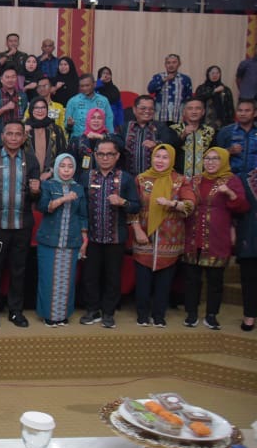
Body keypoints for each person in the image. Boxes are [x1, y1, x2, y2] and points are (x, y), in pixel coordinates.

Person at [0, 121, 41, 328]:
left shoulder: (31, 160)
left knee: (18, 271)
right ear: (2, 136)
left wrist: (36, 191)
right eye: (10, 133)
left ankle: (16, 311)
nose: (14, 138)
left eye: (18, 134)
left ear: (24, 138)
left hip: (22, 226)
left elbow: (35, 196)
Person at [181, 147, 248, 330]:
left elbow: (242, 207)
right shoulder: (195, 180)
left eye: (216, 158)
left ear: (224, 160)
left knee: (215, 280)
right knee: (191, 278)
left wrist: (230, 193)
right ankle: (191, 313)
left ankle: (211, 315)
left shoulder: (232, 180)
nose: (210, 162)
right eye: (207, 158)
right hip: (193, 235)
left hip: (217, 237)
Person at [79, 138, 140, 329]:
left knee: (113, 278)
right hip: (91, 237)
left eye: (110, 154)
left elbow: (136, 206)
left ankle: (108, 313)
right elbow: (79, 206)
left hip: (115, 237)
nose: (105, 158)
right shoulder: (86, 177)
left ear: (117, 156)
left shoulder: (126, 178)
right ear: (95, 155)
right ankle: (92, 310)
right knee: (90, 276)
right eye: (101, 154)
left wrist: (123, 202)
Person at [132, 144, 195, 327]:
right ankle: (142, 314)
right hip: (144, 237)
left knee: (164, 282)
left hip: (169, 239)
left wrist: (172, 203)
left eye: (165, 157)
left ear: (172, 160)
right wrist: (136, 229)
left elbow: (190, 205)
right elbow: (133, 207)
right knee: (143, 281)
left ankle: (159, 315)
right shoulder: (141, 179)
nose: (160, 161)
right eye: (157, 156)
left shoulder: (180, 181)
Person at [36, 154, 88, 326]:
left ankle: (63, 314)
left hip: (71, 241)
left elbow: (83, 215)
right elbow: (44, 207)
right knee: (48, 279)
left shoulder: (79, 188)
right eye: (62, 166)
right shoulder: (48, 185)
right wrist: (63, 199)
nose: (66, 170)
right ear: (57, 167)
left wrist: (84, 239)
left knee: (67, 279)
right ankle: (48, 315)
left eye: (70, 166)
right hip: (49, 240)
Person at [118, 95, 175, 176]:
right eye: (143, 108)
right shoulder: (124, 128)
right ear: (134, 109)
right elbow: (117, 147)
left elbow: (170, 143)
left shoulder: (161, 127)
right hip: (129, 177)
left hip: (155, 177)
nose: (147, 111)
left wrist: (157, 145)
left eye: (151, 109)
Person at [235, 166, 257, 332]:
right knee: (249, 276)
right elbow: (238, 207)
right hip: (250, 233)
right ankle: (249, 315)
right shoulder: (245, 178)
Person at [24, 97, 68, 180]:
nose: (40, 110)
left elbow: (62, 153)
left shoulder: (56, 129)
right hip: (27, 177)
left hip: (50, 178)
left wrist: (50, 172)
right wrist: (23, 134)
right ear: (31, 109)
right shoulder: (24, 129)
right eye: (36, 107)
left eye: (43, 107)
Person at [0, 65, 29, 149]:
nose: (10, 80)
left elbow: (26, 116)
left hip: (19, 141)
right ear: (1, 79)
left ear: (16, 79)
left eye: (13, 77)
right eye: (7, 77)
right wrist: (4, 108)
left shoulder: (23, 95)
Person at [171, 98, 215, 177]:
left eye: (198, 108)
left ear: (203, 112)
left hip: (203, 178)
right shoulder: (174, 129)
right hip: (178, 178)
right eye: (190, 108)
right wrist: (183, 136)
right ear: (184, 112)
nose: (194, 112)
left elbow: (215, 154)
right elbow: (169, 150)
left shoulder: (210, 131)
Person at [64, 73, 113, 139]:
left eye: (87, 85)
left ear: (94, 84)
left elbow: (109, 123)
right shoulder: (73, 101)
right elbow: (66, 127)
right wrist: (69, 125)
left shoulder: (104, 100)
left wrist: (110, 139)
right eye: (82, 86)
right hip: (79, 140)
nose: (84, 88)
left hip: (99, 141)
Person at [147, 54, 192, 124]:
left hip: (178, 117)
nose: (171, 65)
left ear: (179, 64)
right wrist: (164, 80)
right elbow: (150, 89)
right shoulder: (158, 77)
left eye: (174, 62)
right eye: (168, 63)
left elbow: (189, 98)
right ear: (165, 65)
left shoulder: (185, 79)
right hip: (160, 117)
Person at [216, 98, 257, 174]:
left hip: (254, 178)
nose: (242, 114)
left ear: (255, 113)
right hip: (231, 178)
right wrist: (228, 151)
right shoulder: (225, 131)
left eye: (247, 111)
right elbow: (214, 157)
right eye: (240, 110)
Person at [69, 108, 110, 178]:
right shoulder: (77, 141)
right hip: (82, 181)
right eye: (93, 118)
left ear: (103, 121)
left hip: (106, 180)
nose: (96, 121)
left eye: (99, 118)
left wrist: (101, 136)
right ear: (88, 120)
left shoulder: (110, 139)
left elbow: (120, 145)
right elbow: (71, 163)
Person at [194, 65, 235, 131]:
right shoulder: (201, 88)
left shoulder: (226, 89)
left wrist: (230, 124)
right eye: (212, 73)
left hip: (222, 123)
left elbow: (230, 108)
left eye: (217, 73)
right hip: (204, 122)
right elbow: (198, 100)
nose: (215, 75)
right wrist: (214, 91)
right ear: (208, 74)